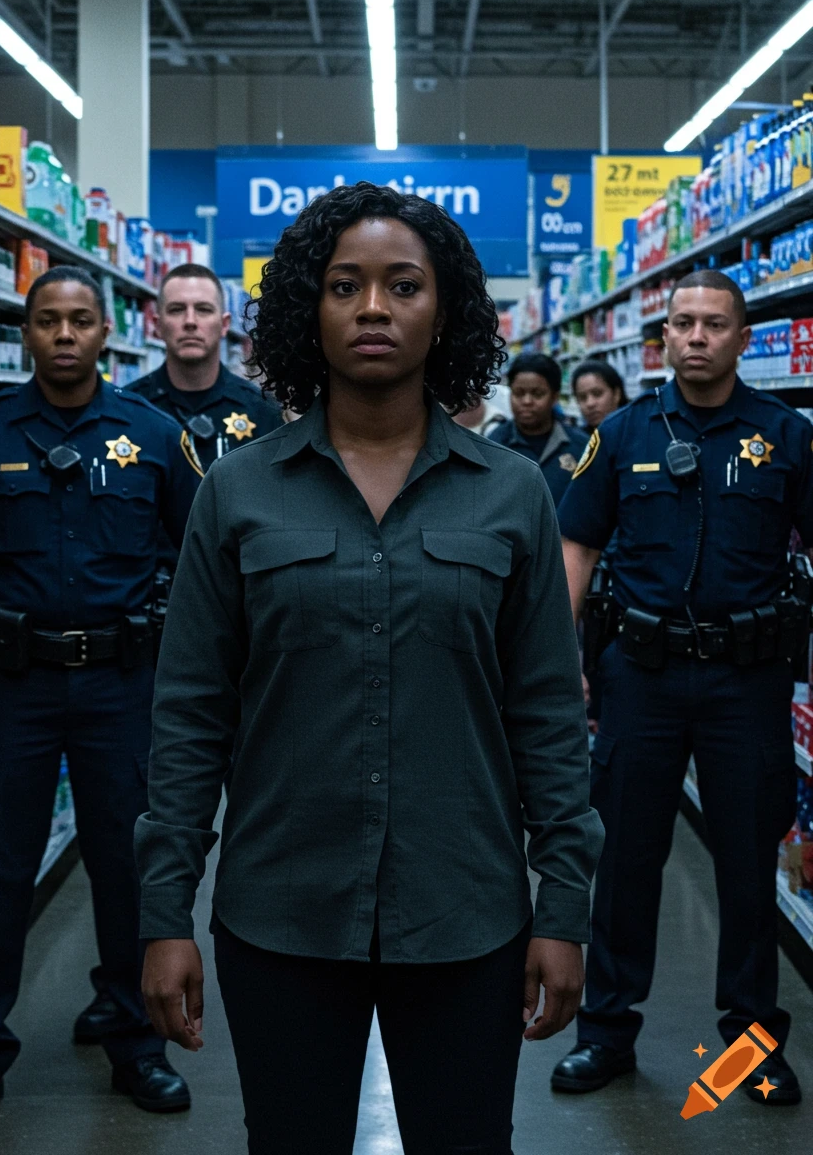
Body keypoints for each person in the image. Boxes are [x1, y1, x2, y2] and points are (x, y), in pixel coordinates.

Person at [135, 182, 604, 1154]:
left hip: (466, 914)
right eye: (344, 285)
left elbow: (549, 716)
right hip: (281, 914)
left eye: (403, 285)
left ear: (447, 311)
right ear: (309, 307)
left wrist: (562, 905)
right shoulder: (237, 489)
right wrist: (161, 912)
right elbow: (187, 716)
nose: (374, 308)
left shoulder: (511, 493)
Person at [0, 266, 202, 1128]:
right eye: (48, 321)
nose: (65, 335)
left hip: (125, 685)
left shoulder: (154, 437)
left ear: (106, 333)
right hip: (11, 685)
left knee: (128, 870)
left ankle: (135, 1046)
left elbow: (203, 557)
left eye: (81, 320)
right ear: (30, 332)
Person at [552, 269, 810, 1103]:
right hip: (643, 677)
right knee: (626, 860)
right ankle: (607, 1036)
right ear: (659, 339)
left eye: (713, 325)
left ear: (742, 338)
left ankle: (749, 1048)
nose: (695, 337)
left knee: (746, 868)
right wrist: (561, 663)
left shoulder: (787, 435)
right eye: (681, 325)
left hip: (750, 680)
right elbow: (578, 548)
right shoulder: (623, 433)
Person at [126, 262, 284, 472]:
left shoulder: (263, 412)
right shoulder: (129, 410)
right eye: (176, 309)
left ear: (225, 324)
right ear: (157, 325)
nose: (190, 321)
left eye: (203, 309)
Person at [488, 352, 589, 505]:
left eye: (538, 394)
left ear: (555, 397)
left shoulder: (581, 447)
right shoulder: (494, 445)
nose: (527, 401)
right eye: (519, 393)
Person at [571, 359, 628, 430]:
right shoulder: (579, 439)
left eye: (597, 394)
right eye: (582, 398)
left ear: (616, 394)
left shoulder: (640, 433)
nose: (590, 404)